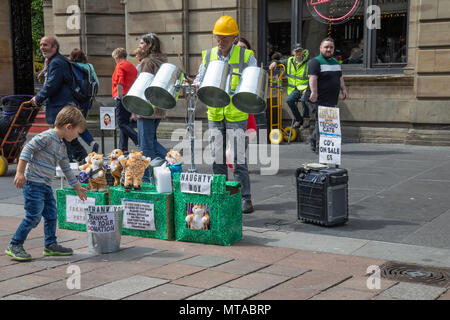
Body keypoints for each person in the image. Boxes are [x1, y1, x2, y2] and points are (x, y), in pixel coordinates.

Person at [4, 106, 88, 261]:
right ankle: (14, 244)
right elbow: (26, 150)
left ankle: (50, 245)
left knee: (51, 214)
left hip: (45, 185)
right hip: (33, 184)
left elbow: (66, 168)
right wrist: (20, 172)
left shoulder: (62, 146)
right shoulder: (47, 137)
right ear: (68, 127)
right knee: (33, 217)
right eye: (77, 133)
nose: (77, 136)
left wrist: (77, 186)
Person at [193, 16, 257, 214]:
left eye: (225, 38)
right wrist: (196, 84)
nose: (220, 42)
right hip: (215, 112)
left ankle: (244, 198)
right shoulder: (209, 55)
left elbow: (254, 80)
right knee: (217, 157)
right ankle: (221, 194)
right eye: (218, 38)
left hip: (237, 113)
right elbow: (200, 77)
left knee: (238, 159)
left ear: (234, 37)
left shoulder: (246, 56)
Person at [31, 36, 88, 163]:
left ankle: (80, 163)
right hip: (64, 105)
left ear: (54, 47)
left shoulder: (57, 62)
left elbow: (52, 84)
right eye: (41, 45)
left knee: (66, 136)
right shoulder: (59, 60)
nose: (42, 48)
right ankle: (81, 163)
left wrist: (38, 98)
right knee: (68, 138)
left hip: (60, 106)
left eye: (45, 45)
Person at [133, 33, 169, 183]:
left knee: (146, 146)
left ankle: (148, 180)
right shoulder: (161, 61)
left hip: (146, 107)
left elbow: (143, 86)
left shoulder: (147, 62)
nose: (139, 46)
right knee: (151, 142)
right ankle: (171, 161)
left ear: (148, 45)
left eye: (142, 43)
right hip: (158, 107)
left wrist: (135, 107)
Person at [304, 37, 348, 153]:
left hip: (330, 99)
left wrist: (344, 89)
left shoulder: (335, 62)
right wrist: (314, 92)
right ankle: (320, 147)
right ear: (320, 48)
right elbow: (312, 78)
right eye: (326, 47)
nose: (329, 49)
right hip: (316, 98)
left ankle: (313, 140)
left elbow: (340, 77)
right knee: (322, 121)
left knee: (325, 121)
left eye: (331, 47)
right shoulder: (315, 62)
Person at [269, 43, 310, 129]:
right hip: (294, 89)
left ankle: (306, 119)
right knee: (289, 100)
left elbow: (313, 77)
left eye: (300, 50)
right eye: (296, 51)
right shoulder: (289, 61)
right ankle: (299, 119)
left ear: (302, 51)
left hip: (305, 88)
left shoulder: (308, 62)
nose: (298, 52)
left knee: (304, 99)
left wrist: (308, 88)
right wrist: (274, 63)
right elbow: (278, 61)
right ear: (293, 52)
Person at [69, 48, 99, 153]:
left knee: (74, 124)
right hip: (86, 100)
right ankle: (90, 143)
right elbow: (96, 83)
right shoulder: (89, 67)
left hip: (74, 100)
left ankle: (90, 142)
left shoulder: (70, 66)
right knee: (79, 122)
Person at [111, 47, 139, 153]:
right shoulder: (132, 66)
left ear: (117, 58)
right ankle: (123, 148)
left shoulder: (120, 66)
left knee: (121, 122)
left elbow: (120, 82)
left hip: (122, 96)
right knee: (125, 122)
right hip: (131, 95)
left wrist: (120, 96)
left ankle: (137, 139)